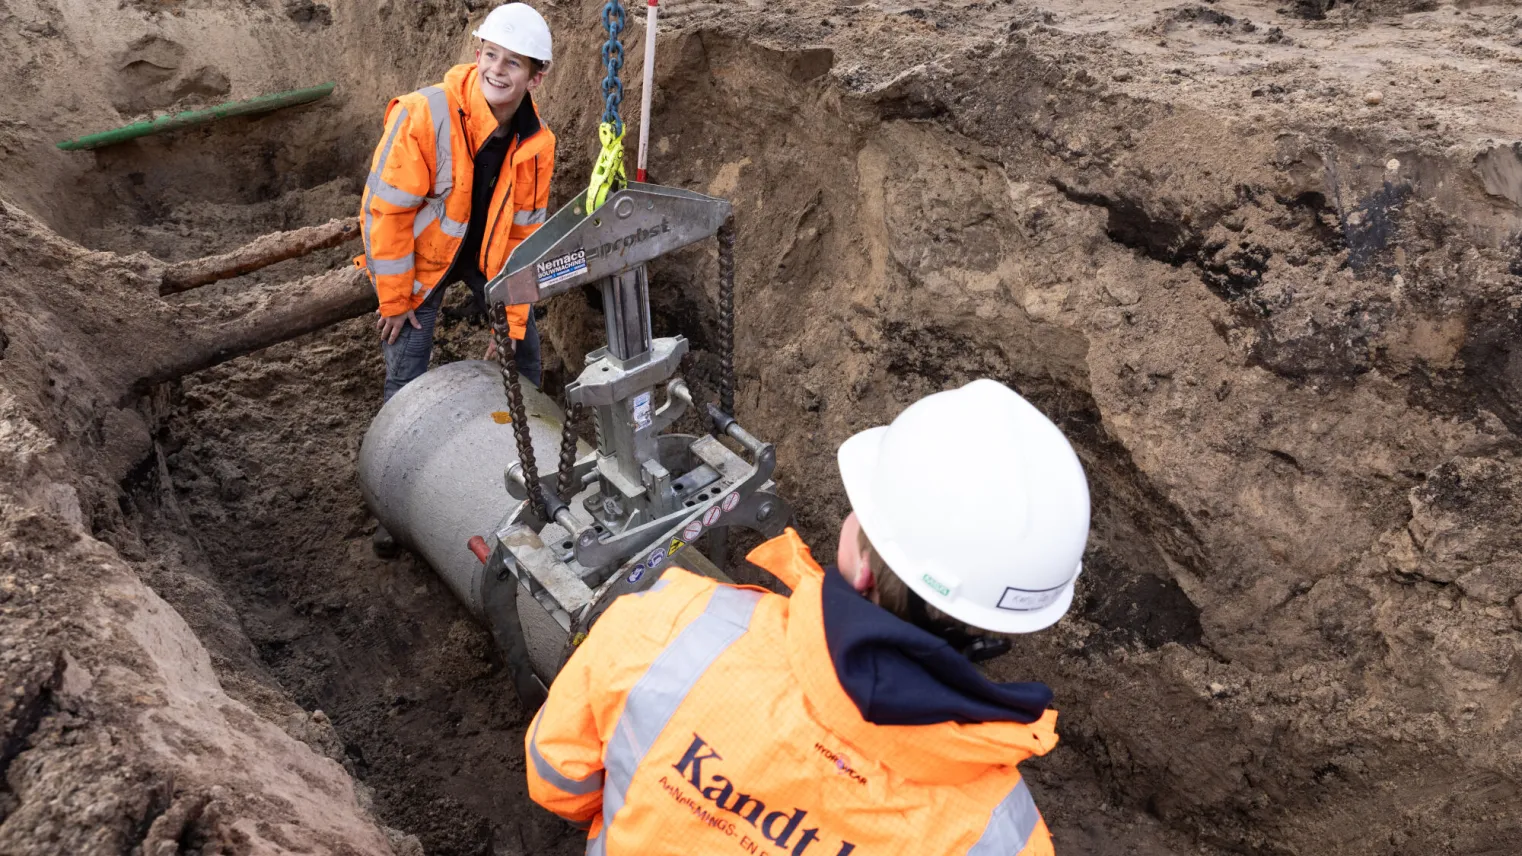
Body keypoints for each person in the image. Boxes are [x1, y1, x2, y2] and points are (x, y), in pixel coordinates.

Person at [525, 379, 1092, 856]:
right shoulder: (1001, 835)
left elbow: (559, 782)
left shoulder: (663, 628)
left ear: (861, 565)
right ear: (1005, 621)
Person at [356, 2, 555, 402]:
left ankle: (527, 432)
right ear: (477, 55)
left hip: (484, 259)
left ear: (535, 78)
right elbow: (387, 213)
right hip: (421, 258)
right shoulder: (423, 115)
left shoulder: (536, 144)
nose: (497, 69)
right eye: (491, 54)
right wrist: (395, 299)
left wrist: (511, 321)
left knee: (524, 355)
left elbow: (524, 237)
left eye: (513, 62)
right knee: (407, 370)